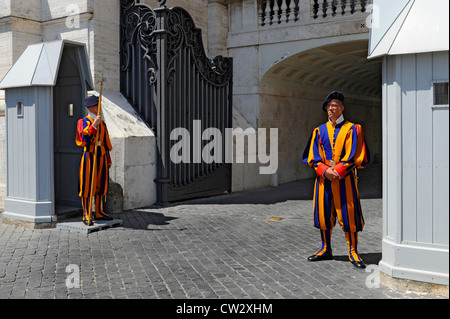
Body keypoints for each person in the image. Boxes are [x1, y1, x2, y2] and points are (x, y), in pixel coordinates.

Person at [302, 91, 370, 269]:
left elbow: (356, 155)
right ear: (326, 109)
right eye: (329, 106)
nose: (331, 109)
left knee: (349, 215)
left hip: (345, 180)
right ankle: (325, 249)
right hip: (324, 181)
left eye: (335, 105)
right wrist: (325, 171)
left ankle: (353, 251)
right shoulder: (319, 131)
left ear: (342, 108)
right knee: (324, 214)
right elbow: (313, 157)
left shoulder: (353, 129)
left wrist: (338, 171)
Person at [76, 95, 113, 225]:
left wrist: (108, 159)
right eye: (97, 105)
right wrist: (94, 126)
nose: (99, 107)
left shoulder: (102, 123)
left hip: (101, 156)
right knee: (87, 185)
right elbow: (84, 140)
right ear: (92, 107)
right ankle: (86, 214)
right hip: (89, 157)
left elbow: (105, 143)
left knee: (101, 184)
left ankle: (98, 211)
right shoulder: (83, 122)